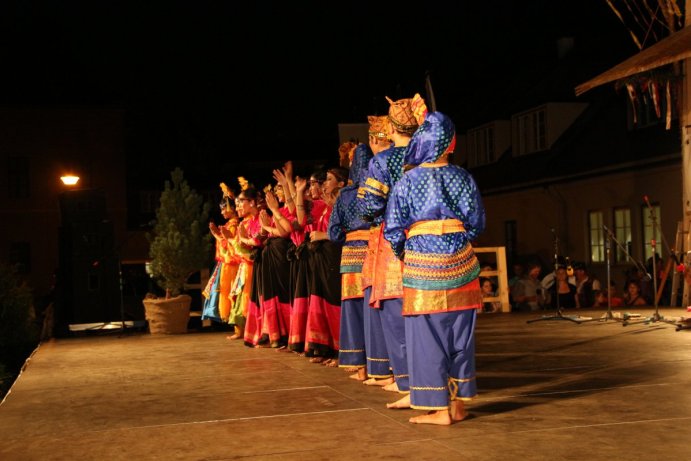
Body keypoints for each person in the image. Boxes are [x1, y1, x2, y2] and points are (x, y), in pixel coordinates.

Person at [384, 110, 485, 425]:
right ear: (449, 144)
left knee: (427, 336)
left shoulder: (407, 181)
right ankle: (458, 405)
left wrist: (407, 251)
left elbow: (392, 229)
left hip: (423, 267)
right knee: (460, 335)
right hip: (461, 266)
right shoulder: (464, 177)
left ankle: (440, 409)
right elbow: (477, 223)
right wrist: (455, 237)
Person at [358, 98, 419, 399]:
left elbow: (370, 206)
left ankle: (406, 380)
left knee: (395, 310)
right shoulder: (428, 155)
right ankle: (432, 379)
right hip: (428, 238)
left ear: (392, 127)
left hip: (394, 238)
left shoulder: (382, 161)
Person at [329, 143, 373, 380]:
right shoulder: (377, 191)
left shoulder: (345, 196)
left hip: (352, 256)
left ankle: (361, 367)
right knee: (374, 310)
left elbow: (333, 232)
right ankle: (381, 366)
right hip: (375, 252)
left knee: (354, 311)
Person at [303, 165, 347, 365]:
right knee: (322, 304)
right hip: (322, 259)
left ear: (341, 183)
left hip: (335, 257)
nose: (323, 185)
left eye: (328, 180)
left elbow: (347, 231)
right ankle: (326, 347)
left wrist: (323, 235)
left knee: (335, 304)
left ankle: (342, 351)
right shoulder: (327, 206)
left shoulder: (345, 203)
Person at [202, 183, 240, 324]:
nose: (222, 212)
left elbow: (229, 244)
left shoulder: (234, 224)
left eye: (224, 209)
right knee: (226, 291)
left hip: (231, 263)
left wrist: (216, 235)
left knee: (230, 292)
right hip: (226, 262)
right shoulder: (230, 223)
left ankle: (238, 327)